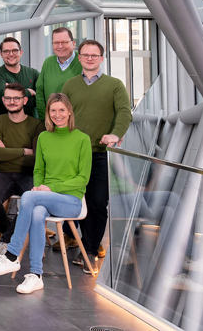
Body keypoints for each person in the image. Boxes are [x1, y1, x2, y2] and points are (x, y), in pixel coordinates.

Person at [0, 93, 92, 294]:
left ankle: (12, 255)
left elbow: (82, 178)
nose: (57, 115)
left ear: (69, 112)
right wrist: (39, 186)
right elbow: (39, 170)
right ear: (48, 114)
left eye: (61, 110)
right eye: (53, 111)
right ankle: (36, 275)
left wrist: (48, 189)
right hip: (45, 195)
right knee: (36, 212)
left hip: (71, 199)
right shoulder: (44, 137)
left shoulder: (82, 139)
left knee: (28, 197)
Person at [60, 39, 131, 268]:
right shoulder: (69, 85)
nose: (90, 58)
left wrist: (115, 134)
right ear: (79, 58)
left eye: (94, 55)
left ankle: (89, 249)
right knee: (71, 199)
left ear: (101, 58)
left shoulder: (115, 85)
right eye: (85, 55)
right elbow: (61, 115)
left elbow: (124, 112)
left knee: (98, 202)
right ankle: (76, 239)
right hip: (72, 155)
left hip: (100, 153)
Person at [0, 83, 42, 254]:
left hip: (29, 174)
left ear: (24, 100)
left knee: (32, 201)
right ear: (3, 100)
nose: (12, 102)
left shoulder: (36, 125)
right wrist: (24, 150)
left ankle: (7, 240)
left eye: (16, 98)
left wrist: (6, 149)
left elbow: (37, 158)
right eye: (8, 98)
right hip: (4, 173)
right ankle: (10, 232)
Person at [35, 26, 81, 120]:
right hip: (51, 122)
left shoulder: (82, 62)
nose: (60, 46)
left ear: (73, 43)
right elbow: (40, 93)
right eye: (56, 43)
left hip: (76, 124)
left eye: (64, 42)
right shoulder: (48, 62)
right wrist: (46, 120)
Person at [0, 37, 39, 118]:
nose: (11, 54)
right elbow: (2, 97)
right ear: (1, 54)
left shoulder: (33, 73)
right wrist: (29, 92)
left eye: (15, 50)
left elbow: (40, 99)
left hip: (30, 125)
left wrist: (11, 91)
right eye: (6, 51)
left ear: (21, 52)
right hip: (4, 126)